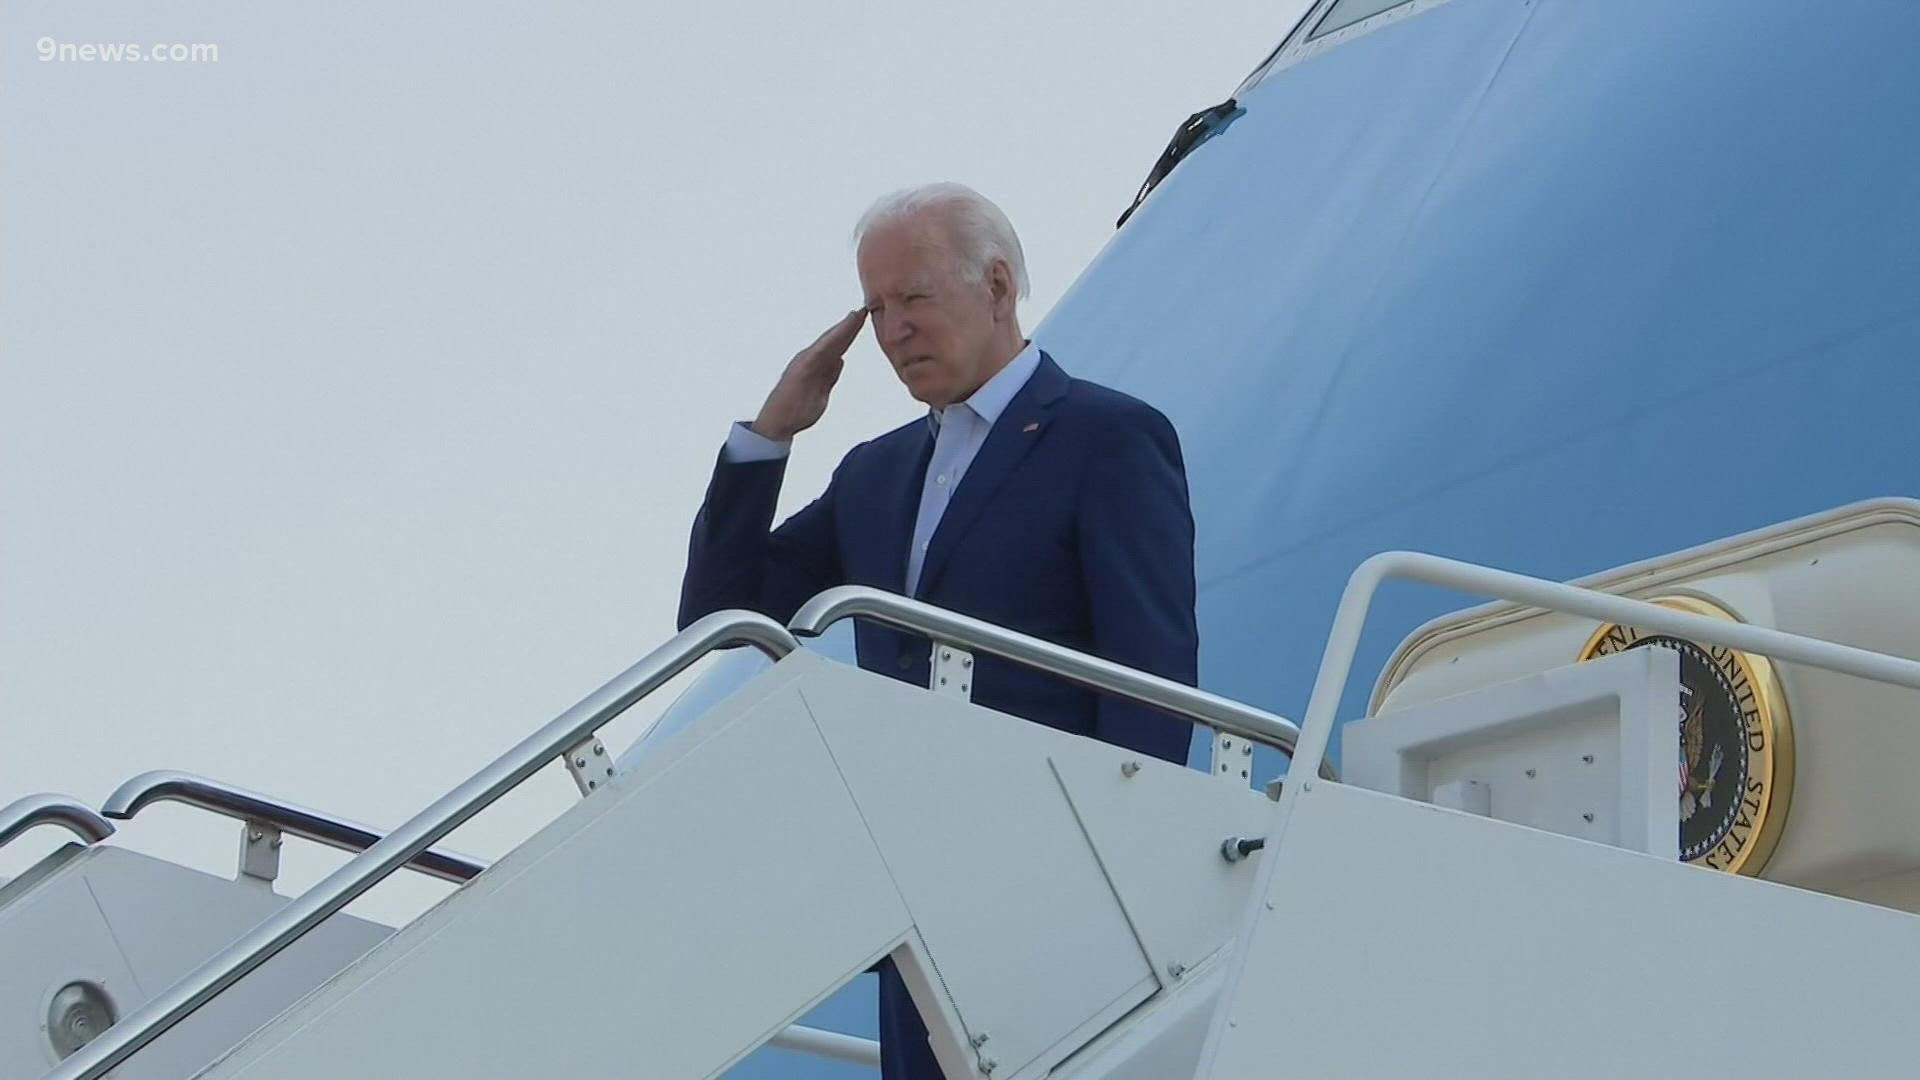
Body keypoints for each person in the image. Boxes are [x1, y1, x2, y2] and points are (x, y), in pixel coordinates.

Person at [677, 182, 1197, 1080]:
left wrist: (1126, 875)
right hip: (914, 889)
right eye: (876, 308)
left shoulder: (1108, 438)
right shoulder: (876, 473)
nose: (891, 331)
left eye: (913, 298)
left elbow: (1150, 674)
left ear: (997, 287)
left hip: (1061, 882)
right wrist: (770, 434)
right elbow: (722, 618)